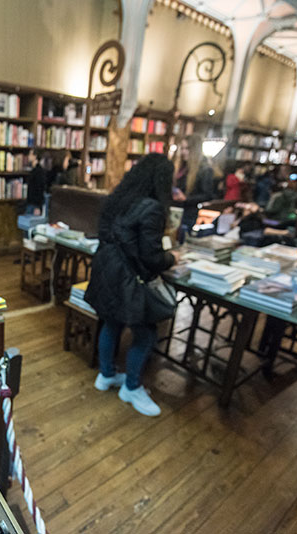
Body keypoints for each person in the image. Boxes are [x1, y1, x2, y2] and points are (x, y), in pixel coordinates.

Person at [84, 153, 179, 417]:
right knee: (146, 333)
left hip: (107, 270)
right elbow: (151, 257)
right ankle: (132, 387)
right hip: (128, 279)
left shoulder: (118, 198)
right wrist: (173, 258)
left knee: (111, 322)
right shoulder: (152, 207)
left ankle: (106, 375)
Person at [173, 134, 214, 236]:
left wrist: (186, 199)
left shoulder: (204, 169)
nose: (183, 152)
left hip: (188, 213)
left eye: (187, 149)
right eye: (182, 148)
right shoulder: (181, 166)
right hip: (174, 209)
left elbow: (207, 195)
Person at [25, 149, 46, 215]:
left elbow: (40, 189)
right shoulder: (34, 170)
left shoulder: (39, 171)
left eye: (30, 154)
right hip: (31, 202)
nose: (28, 156)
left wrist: (38, 206)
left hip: (34, 204)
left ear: (35, 156)